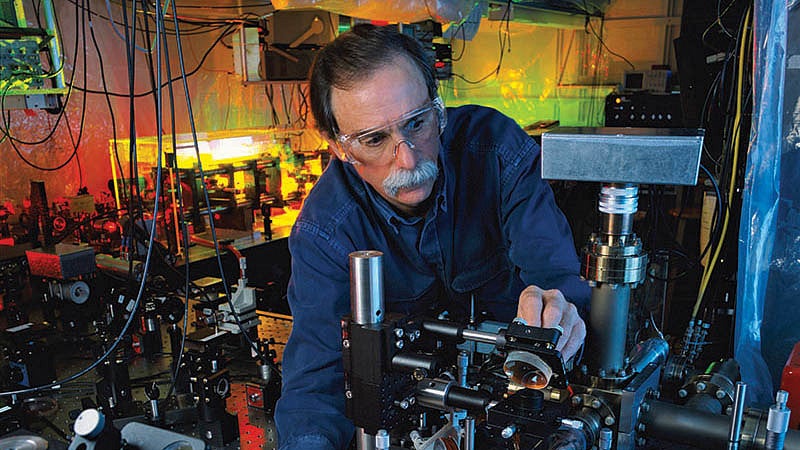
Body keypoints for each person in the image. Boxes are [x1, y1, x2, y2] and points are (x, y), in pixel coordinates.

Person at [275, 24, 591, 450]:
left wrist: (558, 311)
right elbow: (317, 379)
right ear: (338, 147)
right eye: (374, 139)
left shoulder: (496, 150)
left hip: (520, 401)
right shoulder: (325, 231)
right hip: (409, 425)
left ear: (437, 106)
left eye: (418, 123)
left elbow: (555, 274)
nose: (406, 156)